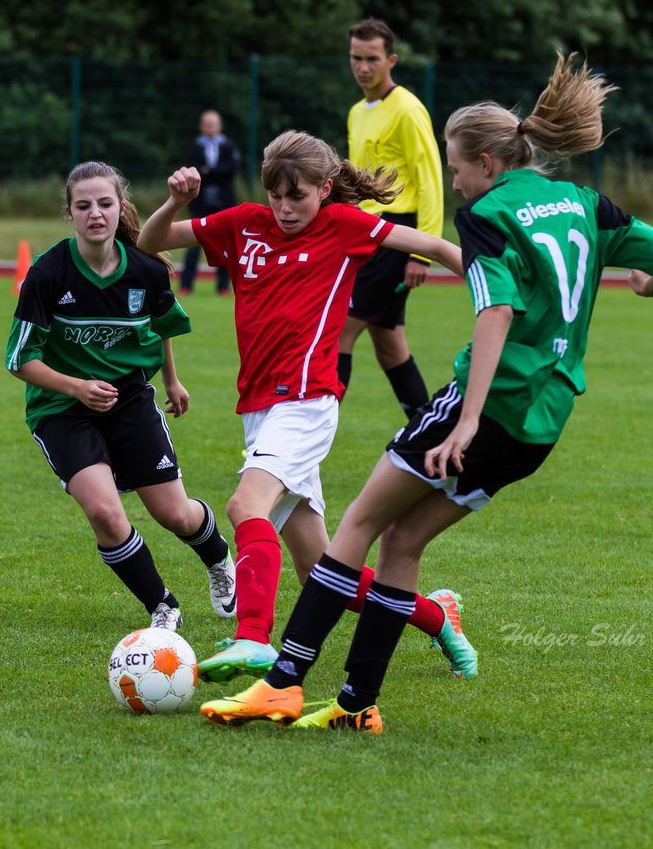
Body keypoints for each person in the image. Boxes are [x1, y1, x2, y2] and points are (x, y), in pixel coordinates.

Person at [200, 53, 653, 732]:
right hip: (542, 425)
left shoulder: (489, 214)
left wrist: (463, 423)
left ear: (486, 164)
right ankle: (356, 705)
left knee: (357, 528)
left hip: (485, 407)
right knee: (402, 544)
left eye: (456, 167)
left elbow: (495, 313)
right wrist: (647, 286)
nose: (454, 181)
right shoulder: (587, 205)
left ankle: (281, 683)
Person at [137, 130, 476, 685]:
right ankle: (439, 617)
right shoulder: (243, 223)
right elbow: (153, 242)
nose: (286, 207)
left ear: (325, 188)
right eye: (277, 195)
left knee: (247, 505)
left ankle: (252, 637)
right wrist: (175, 200)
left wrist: (501, 289)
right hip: (260, 410)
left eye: (299, 195)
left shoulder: (346, 226)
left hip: (308, 400)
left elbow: (435, 248)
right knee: (321, 573)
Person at [5, 161, 236, 633]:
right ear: (68, 213)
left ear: (121, 208)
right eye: (83, 205)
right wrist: (77, 387)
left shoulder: (146, 271)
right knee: (106, 514)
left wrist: (172, 380)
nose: (95, 213)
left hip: (129, 398)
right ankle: (162, 606)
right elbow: (18, 359)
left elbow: (164, 326)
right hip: (62, 408)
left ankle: (217, 558)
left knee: (175, 513)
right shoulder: (47, 275)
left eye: (105, 204)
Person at [338, 18, 444, 419]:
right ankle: (427, 428)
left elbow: (430, 180)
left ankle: (301, 446)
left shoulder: (408, 110)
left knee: (339, 335)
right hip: (365, 236)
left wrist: (423, 254)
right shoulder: (356, 112)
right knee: (388, 342)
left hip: (397, 237)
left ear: (391, 60)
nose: (363, 67)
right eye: (356, 58)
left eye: (372, 59)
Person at [178, 110, 241, 296]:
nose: (210, 127)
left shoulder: (229, 146)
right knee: (193, 245)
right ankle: (186, 285)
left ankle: (223, 286)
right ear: (201, 126)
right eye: (207, 124)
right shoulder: (194, 147)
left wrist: (207, 172)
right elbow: (192, 169)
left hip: (224, 203)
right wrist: (214, 172)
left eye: (213, 123)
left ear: (219, 126)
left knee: (225, 245)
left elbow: (231, 170)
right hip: (200, 203)